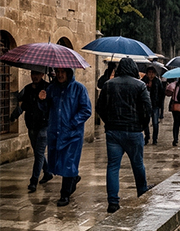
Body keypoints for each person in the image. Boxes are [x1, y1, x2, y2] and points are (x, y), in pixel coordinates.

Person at [96, 58, 151, 213]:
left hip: (114, 131)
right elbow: (147, 108)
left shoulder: (108, 85)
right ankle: (142, 191)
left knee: (113, 166)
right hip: (134, 131)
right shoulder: (140, 85)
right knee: (138, 163)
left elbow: (100, 107)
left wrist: (109, 122)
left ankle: (113, 201)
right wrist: (142, 125)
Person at [44, 67, 92, 206]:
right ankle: (73, 178)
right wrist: (42, 99)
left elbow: (86, 110)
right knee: (58, 162)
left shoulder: (79, 89)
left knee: (68, 162)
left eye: (62, 72)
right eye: (57, 72)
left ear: (68, 73)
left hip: (72, 134)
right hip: (55, 132)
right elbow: (45, 109)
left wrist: (73, 122)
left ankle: (64, 194)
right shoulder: (52, 88)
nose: (59, 75)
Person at [10, 69, 52, 192]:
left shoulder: (48, 87)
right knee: (38, 152)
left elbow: (51, 105)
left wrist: (44, 99)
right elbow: (23, 105)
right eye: (33, 74)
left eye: (37, 74)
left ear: (42, 75)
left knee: (38, 154)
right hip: (31, 125)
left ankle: (33, 181)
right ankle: (47, 172)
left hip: (44, 125)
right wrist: (14, 115)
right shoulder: (28, 89)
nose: (35, 76)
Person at [145, 67, 166, 145]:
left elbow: (161, 95)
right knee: (145, 123)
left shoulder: (158, 82)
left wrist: (161, 108)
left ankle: (155, 139)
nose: (151, 74)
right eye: (149, 72)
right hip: (146, 105)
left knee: (155, 123)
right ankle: (147, 136)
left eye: (152, 73)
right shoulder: (143, 81)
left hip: (155, 105)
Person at [166, 78, 180, 145]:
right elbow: (168, 93)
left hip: (178, 105)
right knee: (177, 122)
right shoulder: (174, 85)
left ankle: (176, 139)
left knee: (177, 123)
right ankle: (175, 139)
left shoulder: (174, 85)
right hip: (178, 105)